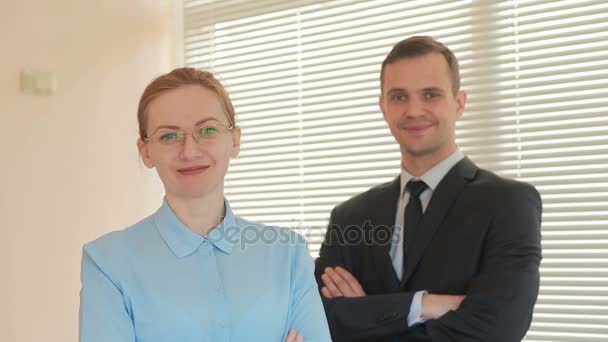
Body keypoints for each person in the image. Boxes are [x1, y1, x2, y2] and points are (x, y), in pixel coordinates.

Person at [315, 36, 542, 342]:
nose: (414, 110)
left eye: (430, 94)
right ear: (383, 106)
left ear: (459, 103)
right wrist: (422, 304)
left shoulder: (508, 203)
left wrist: (367, 316)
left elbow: (496, 326)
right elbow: (319, 319)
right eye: (399, 97)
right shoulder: (349, 217)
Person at [79, 68, 331, 342]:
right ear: (146, 152)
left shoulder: (288, 255)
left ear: (234, 140)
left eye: (208, 130)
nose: (189, 151)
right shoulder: (107, 262)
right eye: (168, 136)